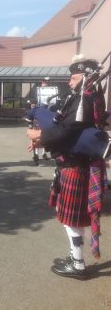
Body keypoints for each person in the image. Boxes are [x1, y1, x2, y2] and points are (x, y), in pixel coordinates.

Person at [27, 56, 107, 280]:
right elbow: (63, 127)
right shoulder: (85, 98)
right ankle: (75, 257)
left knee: (71, 220)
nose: (70, 82)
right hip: (72, 164)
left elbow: (64, 130)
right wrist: (41, 139)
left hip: (75, 166)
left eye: (73, 78)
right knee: (69, 219)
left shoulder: (86, 100)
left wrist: (38, 135)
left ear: (86, 78)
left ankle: (78, 264)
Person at [25, 99, 49, 165]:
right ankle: (36, 155)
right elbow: (28, 119)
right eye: (31, 104)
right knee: (35, 141)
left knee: (42, 140)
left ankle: (43, 153)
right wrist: (30, 126)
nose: (32, 105)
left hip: (40, 126)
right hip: (35, 127)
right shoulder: (30, 111)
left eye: (33, 103)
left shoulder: (38, 109)